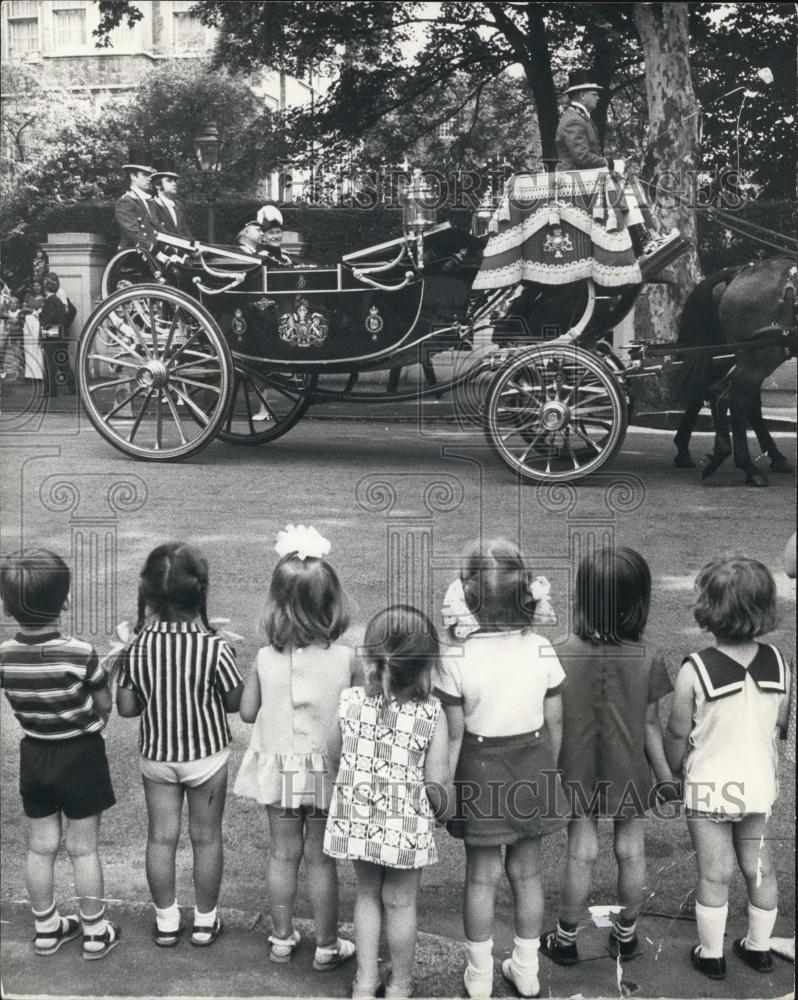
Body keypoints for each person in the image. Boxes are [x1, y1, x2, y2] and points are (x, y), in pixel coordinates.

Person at [434, 538, 567, 999]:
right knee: (528, 874)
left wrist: (444, 790)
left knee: (481, 877)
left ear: (465, 598)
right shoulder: (541, 649)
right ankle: (526, 968)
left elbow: (451, 734)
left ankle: (479, 974)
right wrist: (551, 772)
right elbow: (555, 723)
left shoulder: (454, 658)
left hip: (479, 769)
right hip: (533, 766)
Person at [540, 547, 676, 967]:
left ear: (582, 596)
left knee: (581, 850)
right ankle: (626, 935)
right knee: (630, 849)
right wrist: (666, 776)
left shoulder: (558, 652)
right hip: (629, 770)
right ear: (639, 600)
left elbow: (551, 722)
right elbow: (651, 724)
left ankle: (565, 938)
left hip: (576, 768)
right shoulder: (648, 657)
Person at [233, 523, 357, 970]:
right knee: (323, 861)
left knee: (283, 854)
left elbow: (247, 713)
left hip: (281, 771)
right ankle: (327, 945)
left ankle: (282, 938)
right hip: (326, 771)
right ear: (331, 603)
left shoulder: (265, 657)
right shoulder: (346, 659)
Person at [665, 557, 791, 980]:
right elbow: (779, 722)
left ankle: (712, 954)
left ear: (708, 610)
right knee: (760, 868)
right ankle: (758, 948)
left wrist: (672, 768)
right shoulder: (780, 664)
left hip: (710, 786)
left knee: (714, 873)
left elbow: (678, 731)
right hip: (757, 784)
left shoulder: (695, 669)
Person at [116, 542, 243, 948]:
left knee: (160, 838)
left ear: (148, 594)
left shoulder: (136, 648)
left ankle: (167, 921)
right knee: (206, 838)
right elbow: (235, 702)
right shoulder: (214, 647)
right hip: (206, 756)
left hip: (157, 757)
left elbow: (127, 707)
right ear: (200, 593)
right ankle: (205, 921)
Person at [324, 604, 451, 999]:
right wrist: (442, 813)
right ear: (426, 665)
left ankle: (364, 982)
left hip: (358, 814)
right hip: (404, 825)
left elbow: (332, 753)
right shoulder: (432, 713)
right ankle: (401, 984)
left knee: (366, 896)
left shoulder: (349, 702)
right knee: (400, 902)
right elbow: (435, 782)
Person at [0, 549, 120, 960]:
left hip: (35, 754)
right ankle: (94, 931)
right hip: (80, 754)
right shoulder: (79, 652)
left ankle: (47, 928)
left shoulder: (4, 655)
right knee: (83, 848)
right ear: (65, 600)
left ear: (7, 605)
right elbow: (103, 704)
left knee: (41, 846)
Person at [555, 70, 680, 260]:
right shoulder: (572, 119)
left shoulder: (579, 117)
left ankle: (650, 237)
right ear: (581, 95)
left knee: (629, 184)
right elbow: (582, 158)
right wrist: (611, 163)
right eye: (593, 94)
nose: (597, 97)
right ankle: (644, 243)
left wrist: (612, 165)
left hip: (586, 176)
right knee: (622, 187)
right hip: (575, 179)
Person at [114, 148, 160, 251]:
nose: (150, 178)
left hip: (150, 255)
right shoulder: (126, 202)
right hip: (134, 256)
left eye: (150, 175)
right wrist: (155, 251)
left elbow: (159, 231)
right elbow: (133, 234)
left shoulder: (149, 201)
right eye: (145, 175)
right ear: (133, 176)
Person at [38, 273, 76, 397]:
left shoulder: (51, 301)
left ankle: (50, 390)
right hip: (59, 334)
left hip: (51, 334)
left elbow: (49, 319)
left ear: (46, 288)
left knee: (49, 363)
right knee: (62, 362)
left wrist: (42, 332)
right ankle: (72, 387)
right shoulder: (58, 300)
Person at [151, 158, 193, 241]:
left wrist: (195, 248)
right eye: (169, 180)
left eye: (175, 180)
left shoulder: (178, 205)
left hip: (181, 252)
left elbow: (185, 232)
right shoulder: (152, 205)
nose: (174, 183)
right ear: (157, 185)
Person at [21, 278, 45, 385]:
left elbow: (43, 311)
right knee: (28, 347)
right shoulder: (28, 296)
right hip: (28, 322)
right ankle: (29, 374)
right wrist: (33, 310)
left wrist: (37, 312)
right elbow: (23, 309)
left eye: (38, 285)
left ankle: (38, 374)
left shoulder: (44, 298)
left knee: (37, 347)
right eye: (34, 286)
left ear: (42, 287)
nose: (36, 288)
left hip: (38, 323)